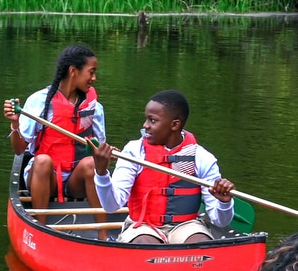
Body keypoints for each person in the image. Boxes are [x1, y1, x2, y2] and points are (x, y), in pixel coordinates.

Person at [96, 89, 236, 244]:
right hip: (143, 226)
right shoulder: (134, 151)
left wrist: (225, 203)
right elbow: (111, 206)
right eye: (146, 119)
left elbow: (220, 222)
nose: (145, 126)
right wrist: (101, 173)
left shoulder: (202, 158)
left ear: (174, 125)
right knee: (147, 244)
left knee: (200, 243)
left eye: (152, 120)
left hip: (186, 226)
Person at [3, 44, 106, 211]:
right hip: (45, 177)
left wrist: (104, 153)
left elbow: (98, 149)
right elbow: (19, 149)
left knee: (91, 163)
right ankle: (40, 227)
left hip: (75, 179)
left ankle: (103, 233)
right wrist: (15, 123)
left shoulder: (94, 107)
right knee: (42, 161)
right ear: (73, 71)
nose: (94, 78)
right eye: (91, 72)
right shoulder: (39, 101)